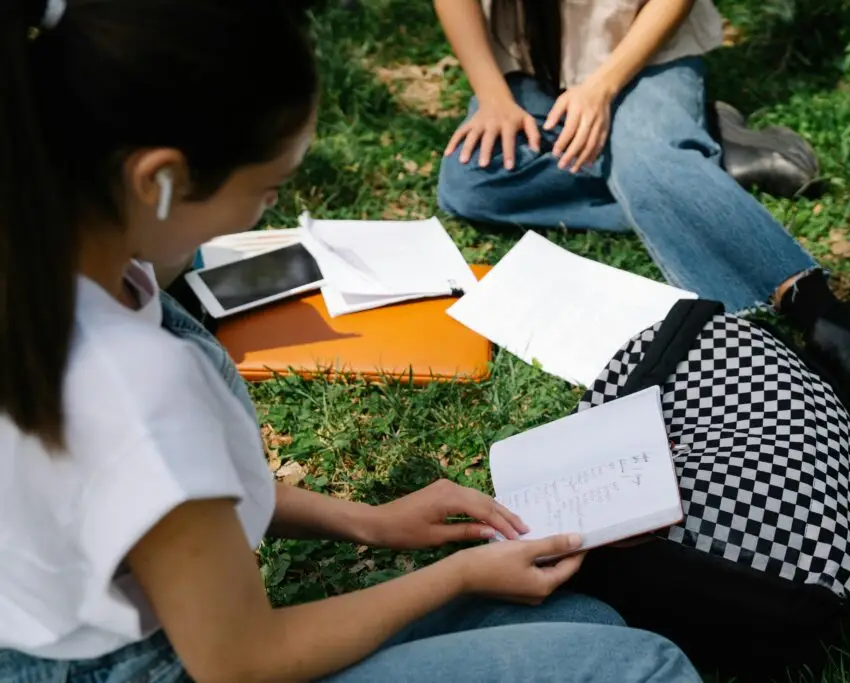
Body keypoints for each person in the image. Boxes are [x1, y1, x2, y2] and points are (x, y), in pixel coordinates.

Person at [0, 2, 701, 682]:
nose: (264, 210)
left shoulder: (68, 281)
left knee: (588, 624)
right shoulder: (137, 378)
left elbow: (166, 497)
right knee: (647, 666)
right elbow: (242, 661)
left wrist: (370, 523)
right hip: (184, 659)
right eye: (269, 189)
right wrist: (456, 573)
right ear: (160, 179)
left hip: (97, 643)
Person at [434, 0, 850, 458]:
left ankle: (847, 331)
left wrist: (601, 90)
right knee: (471, 185)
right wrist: (494, 94)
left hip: (644, 55)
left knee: (645, 166)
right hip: (530, 66)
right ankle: (690, 167)